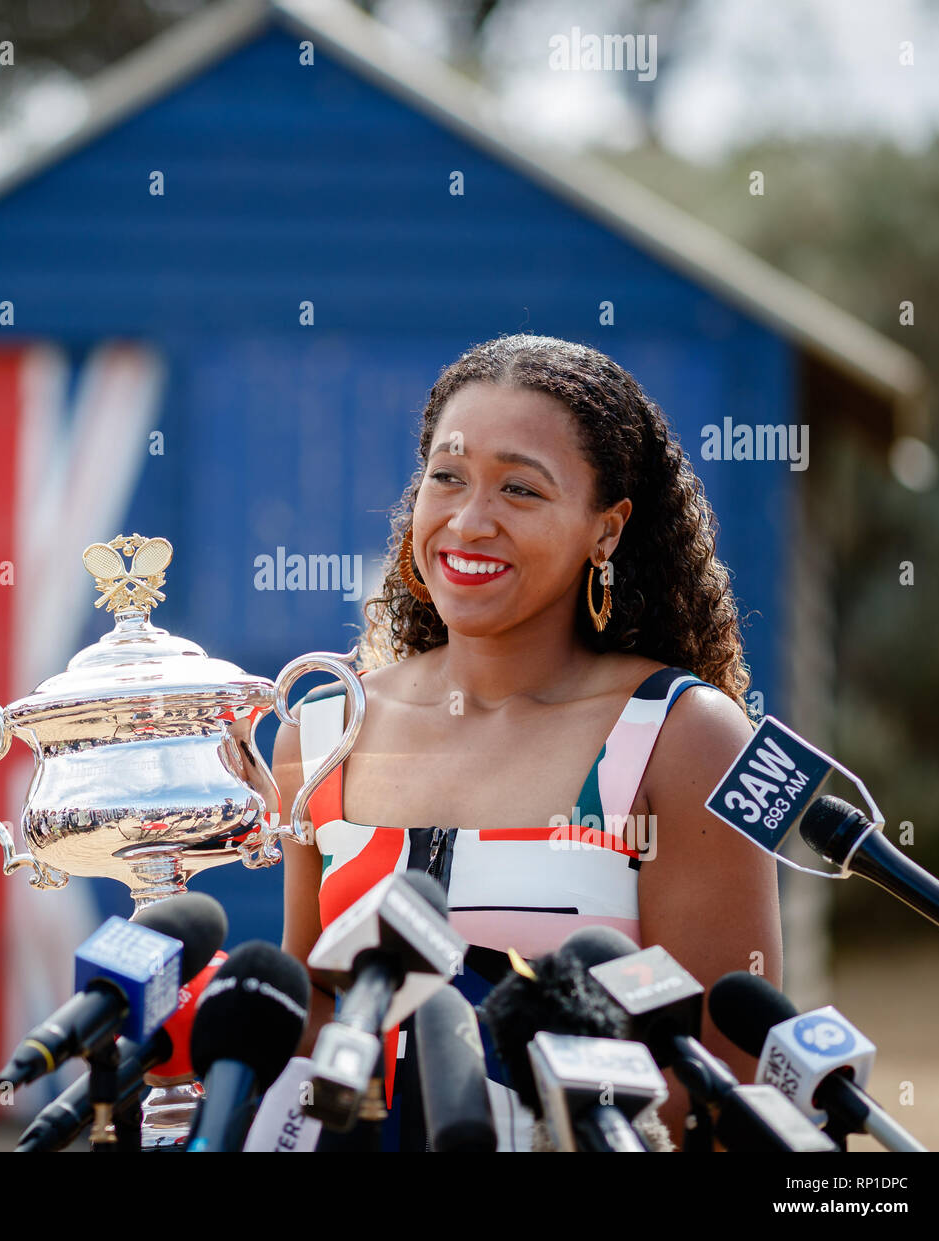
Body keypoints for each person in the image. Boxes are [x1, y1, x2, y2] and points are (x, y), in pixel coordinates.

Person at [274, 334, 782, 1151]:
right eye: (447, 476)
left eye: (520, 488)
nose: (470, 521)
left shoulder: (681, 736)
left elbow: (723, 1072)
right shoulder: (324, 728)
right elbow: (305, 1023)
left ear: (606, 529)